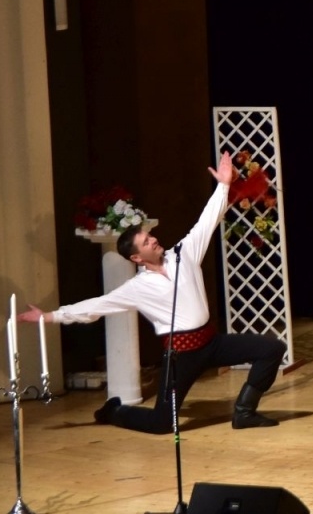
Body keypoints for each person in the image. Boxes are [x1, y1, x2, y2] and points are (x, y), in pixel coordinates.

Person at [21, 152, 286, 431]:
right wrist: (49, 316)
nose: (155, 239)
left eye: (150, 236)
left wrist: (223, 185)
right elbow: (96, 306)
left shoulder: (184, 253)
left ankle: (244, 412)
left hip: (212, 343)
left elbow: (207, 221)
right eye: (147, 241)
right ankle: (114, 411)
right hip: (181, 357)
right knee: (163, 423)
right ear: (137, 257)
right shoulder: (137, 288)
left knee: (272, 349)